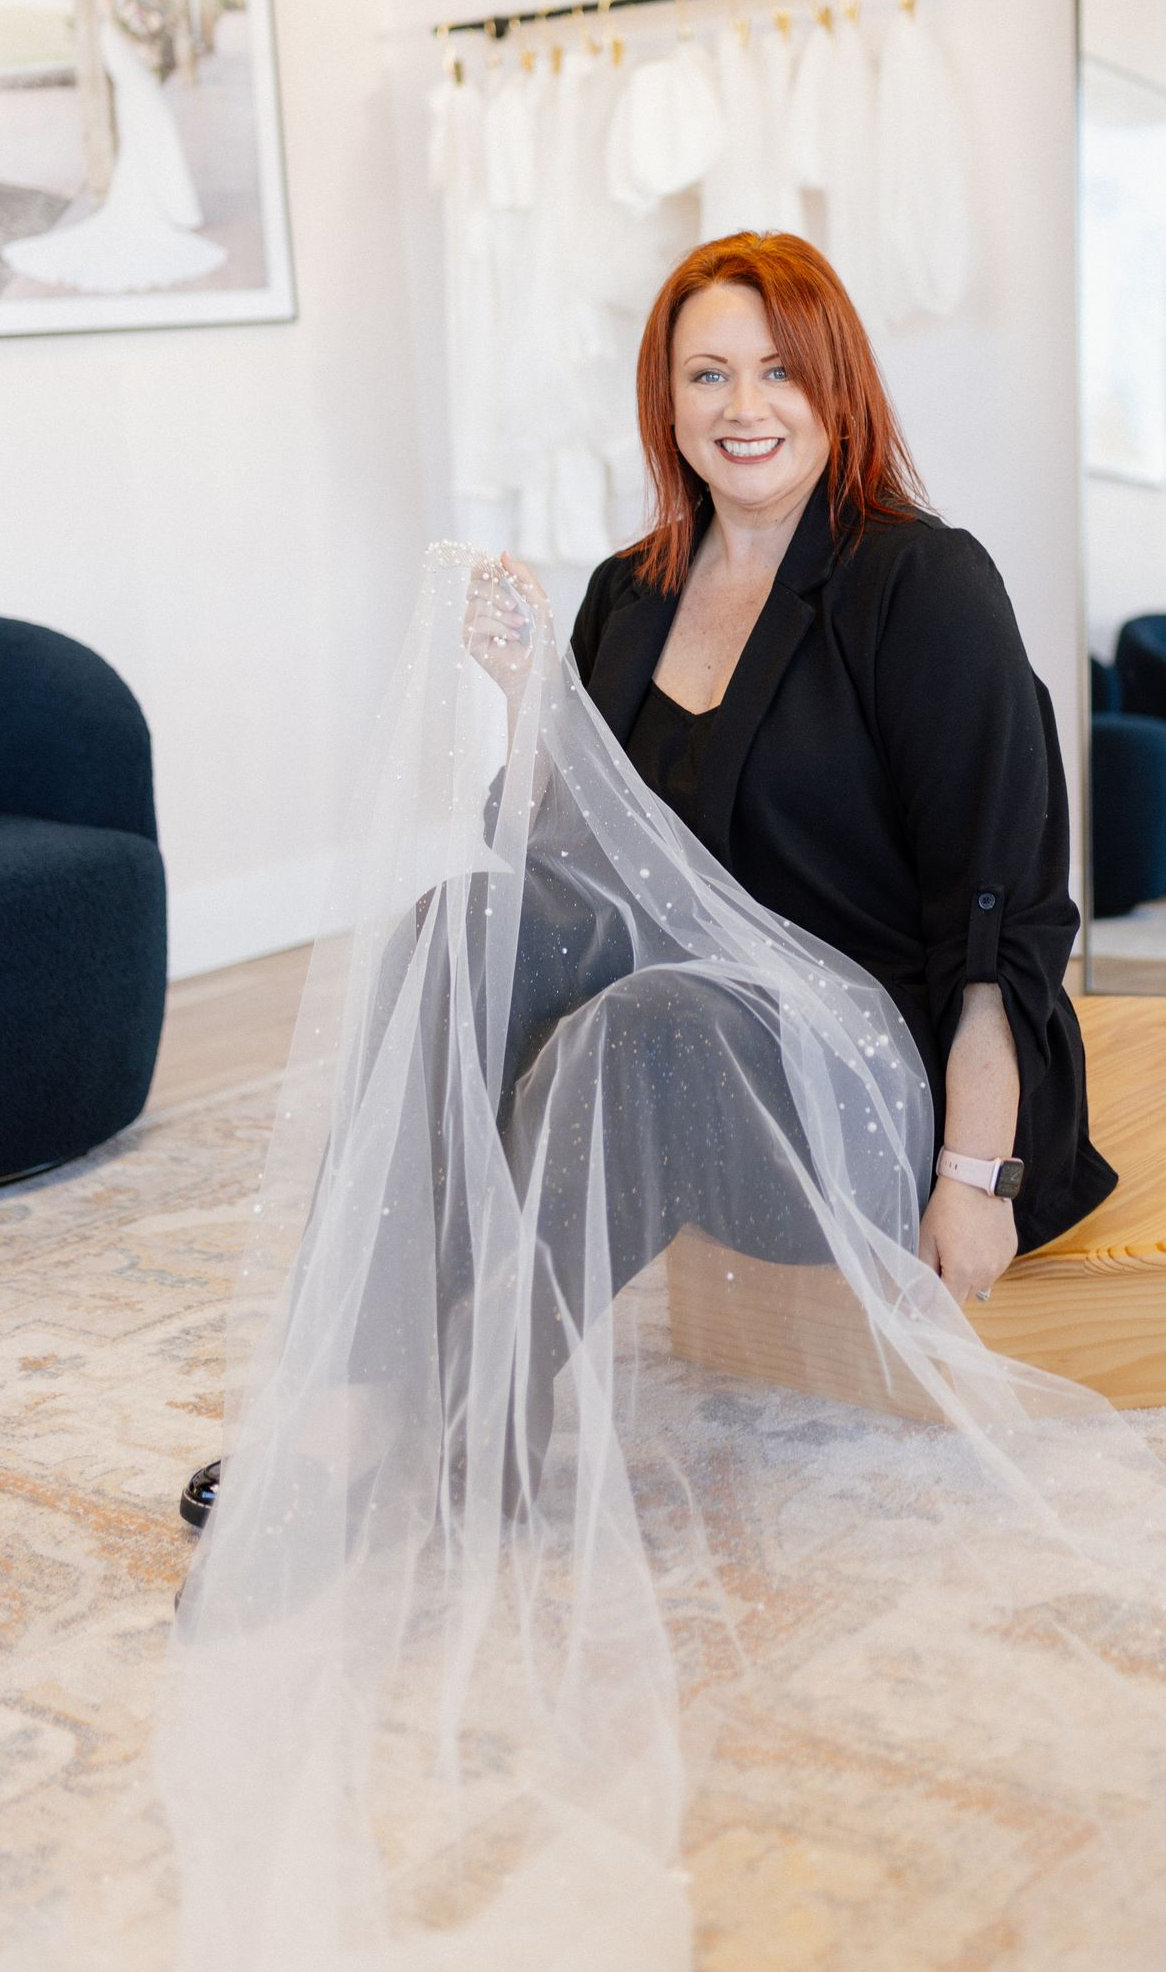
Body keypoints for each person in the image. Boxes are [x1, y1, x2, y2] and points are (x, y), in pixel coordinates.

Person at [179, 231, 1114, 1528]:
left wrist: (975, 1175)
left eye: (781, 372)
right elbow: (566, 876)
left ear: (839, 388)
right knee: (460, 924)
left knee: (642, 1023)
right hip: (687, 1030)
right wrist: (531, 702)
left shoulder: (923, 582)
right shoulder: (632, 591)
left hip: (869, 1077)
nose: (745, 409)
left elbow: (1001, 911)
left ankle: (490, 1401)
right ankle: (356, 1402)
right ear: (664, 402)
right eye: (709, 376)